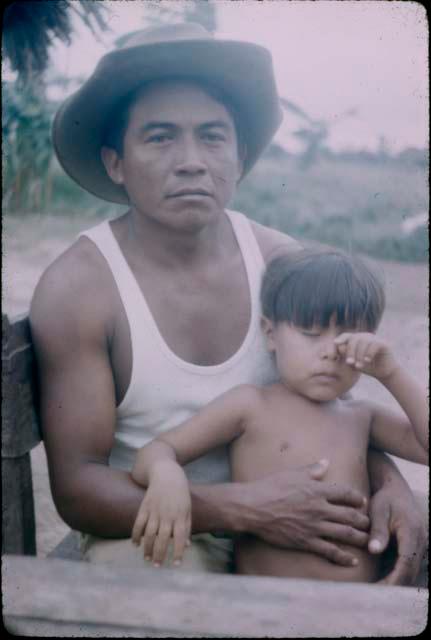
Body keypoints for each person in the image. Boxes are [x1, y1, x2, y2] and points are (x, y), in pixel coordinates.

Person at [30, 22, 427, 582]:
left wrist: (392, 485)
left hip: (297, 518)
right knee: (165, 590)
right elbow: (78, 488)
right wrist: (251, 509)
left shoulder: (279, 261)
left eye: (213, 136)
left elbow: (331, 403)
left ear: (239, 158)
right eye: (161, 137)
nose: (192, 160)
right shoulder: (81, 288)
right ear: (116, 162)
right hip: (152, 523)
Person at [130, 249, 428, 582]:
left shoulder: (362, 416)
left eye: (347, 340)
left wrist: (391, 372)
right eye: (311, 335)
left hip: (357, 609)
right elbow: (156, 450)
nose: (330, 352)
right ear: (270, 334)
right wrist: (166, 474)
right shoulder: (250, 406)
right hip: (267, 607)